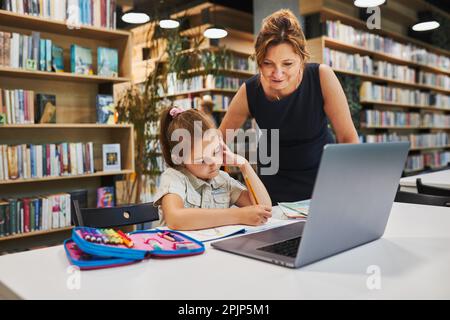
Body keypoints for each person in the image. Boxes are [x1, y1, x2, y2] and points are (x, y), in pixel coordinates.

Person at [219, 9, 359, 204]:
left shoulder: (322, 77)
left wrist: (352, 187)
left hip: (322, 183)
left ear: (302, 58)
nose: (278, 73)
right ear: (259, 61)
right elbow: (219, 140)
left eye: (287, 64)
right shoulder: (250, 90)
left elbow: (348, 138)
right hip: (272, 189)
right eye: (268, 63)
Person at [153, 106, 272, 230]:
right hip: (180, 247)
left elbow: (264, 208)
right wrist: (238, 215)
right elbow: (175, 219)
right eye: (202, 160)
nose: (213, 163)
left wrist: (244, 165)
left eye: (215, 152)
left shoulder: (223, 179)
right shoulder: (174, 178)